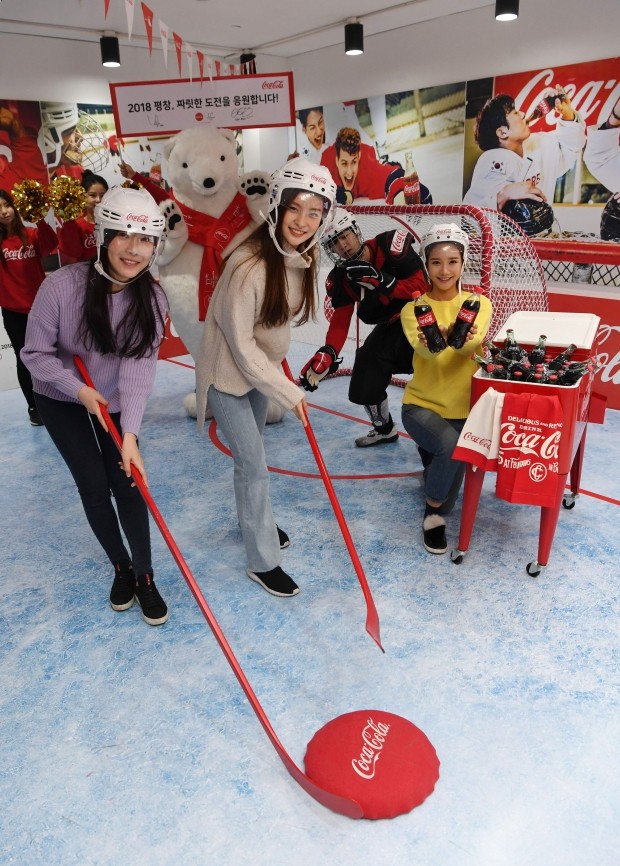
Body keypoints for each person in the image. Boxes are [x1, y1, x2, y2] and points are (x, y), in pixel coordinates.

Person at [21, 186, 169, 626]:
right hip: (62, 396)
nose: (135, 248)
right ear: (105, 234)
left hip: (116, 400)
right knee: (92, 484)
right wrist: (77, 389)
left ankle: (144, 573)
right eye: (124, 235)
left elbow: (139, 371)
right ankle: (120, 565)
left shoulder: (153, 297)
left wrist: (131, 436)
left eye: (145, 239)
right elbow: (34, 354)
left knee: (128, 482)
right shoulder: (60, 287)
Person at [195, 157, 337, 598]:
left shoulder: (299, 254)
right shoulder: (248, 266)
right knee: (255, 465)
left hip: (259, 373)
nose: (303, 220)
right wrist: (288, 392)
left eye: (315, 212)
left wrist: (277, 368)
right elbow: (240, 345)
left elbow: (271, 325)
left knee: (250, 461)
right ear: (276, 205)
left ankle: (254, 522)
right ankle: (262, 561)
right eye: (295, 208)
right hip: (228, 376)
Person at [300, 208, 427, 447]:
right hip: (391, 328)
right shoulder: (342, 277)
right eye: (334, 243)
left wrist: (382, 281)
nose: (343, 246)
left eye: (345, 236)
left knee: (439, 376)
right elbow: (340, 319)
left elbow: (422, 284)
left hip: (425, 324)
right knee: (363, 381)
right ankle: (384, 429)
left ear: (355, 230)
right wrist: (329, 352)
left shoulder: (391, 245)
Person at [400, 223, 492, 555]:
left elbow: (472, 349)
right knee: (449, 457)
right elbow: (425, 351)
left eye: (452, 261)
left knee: (450, 482)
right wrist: (430, 342)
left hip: (463, 411)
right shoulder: (413, 309)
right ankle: (431, 513)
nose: (445, 270)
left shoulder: (479, 304)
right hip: (420, 405)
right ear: (426, 264)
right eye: (436, 261)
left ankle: (433, 460)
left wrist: (463, 339)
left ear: (462, 263)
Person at [463, 90, 585, 228]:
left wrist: (567, 114)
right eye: (515, 113)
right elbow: (471, 216)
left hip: (541, 237)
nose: (522, 114)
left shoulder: (538, 144)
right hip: (505, 245)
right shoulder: (493, 159)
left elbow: (572, 147)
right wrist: (504, 193)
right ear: (502, 132)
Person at [0, 188, 58, 426]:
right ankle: (34, 407)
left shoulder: (32, 234)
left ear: (15, 206)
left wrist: (40, 218)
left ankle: (57, 400)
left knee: (51, 356)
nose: (3, 212)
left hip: (41, 309)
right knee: (24, 360)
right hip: (13, 312)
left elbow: (51, 243)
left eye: (6, 205)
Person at [321, 127, 432, 205]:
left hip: (373, 162)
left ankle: (388, 163)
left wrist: (404, 195)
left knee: (389, 170)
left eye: (354, 162)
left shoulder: (368, 169)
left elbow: (394, 176)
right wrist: (340, 195)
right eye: (344, 163)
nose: (349, 172)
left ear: (359, 157)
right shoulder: (326, 165)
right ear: (336, 161)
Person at [57, 171, 109, 264]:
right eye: (92, 195)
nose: (98, 200)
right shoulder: (76, 225)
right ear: (83, 197)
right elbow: (74, 253)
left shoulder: (115, 223)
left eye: (102, 195)